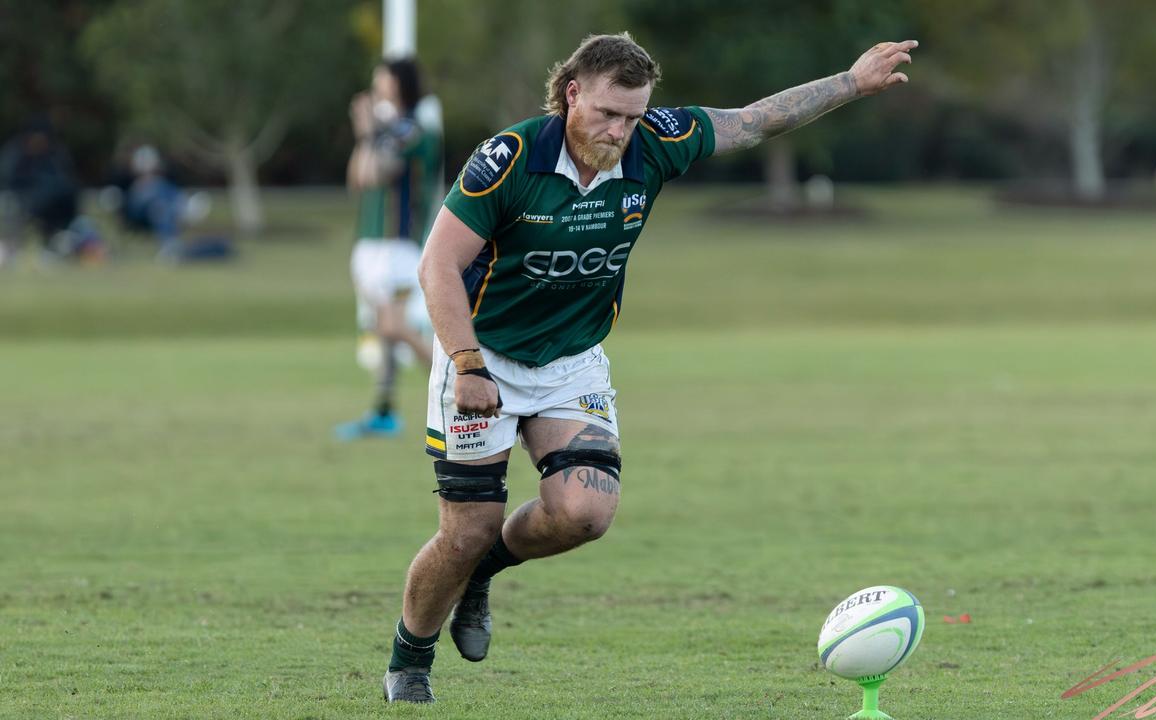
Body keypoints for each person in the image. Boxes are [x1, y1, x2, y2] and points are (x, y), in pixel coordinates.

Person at [381, 32, 916, 703]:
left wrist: (850, 82)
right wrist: (464, 363)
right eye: (608, 113)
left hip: (572, 359)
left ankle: (484, 572)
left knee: (584, 514)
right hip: (481, 356)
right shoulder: (511, 158)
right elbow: (438, 265)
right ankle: (410, 660)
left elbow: (751, 122)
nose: (621, 130)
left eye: (633, 116)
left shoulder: (656, 142)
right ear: (572, 93)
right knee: (464, 532)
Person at [334, 58, 445, 440]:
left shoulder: (413, 131)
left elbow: (376, 172)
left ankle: (461, 381)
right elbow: (356, 178)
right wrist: (368, 135)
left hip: (398, 247)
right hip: (369, 245)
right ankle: (383, 412)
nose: (375, 82)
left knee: (393, 326)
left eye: (382, 76)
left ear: (399, 83)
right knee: (385, 331)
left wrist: (368, 136)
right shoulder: (386, 130)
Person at [0, 116, 79, 260]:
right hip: (22, 200)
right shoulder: (14, 154)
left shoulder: (55, 154)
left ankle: (56, 242)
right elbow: (7, 182)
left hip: (53, 206)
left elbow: (66, 182)